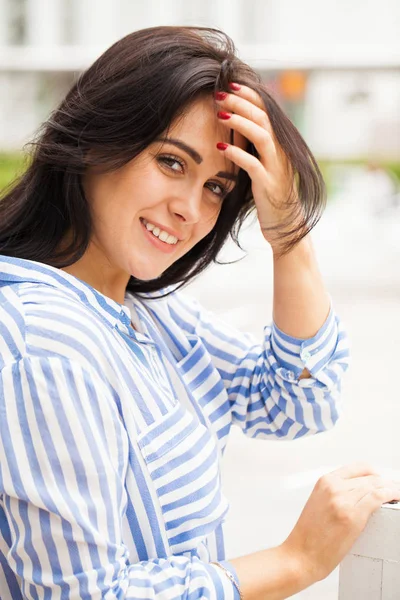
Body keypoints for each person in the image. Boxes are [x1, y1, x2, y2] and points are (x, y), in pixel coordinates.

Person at [0, 25, 398, 600]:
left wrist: (286, 232)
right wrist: (296, 561)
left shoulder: (142, 309)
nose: (190, 208)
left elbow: (297, 399)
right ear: (94, 142)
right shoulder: (46, 344)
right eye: (170, 162)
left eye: (216, 187)